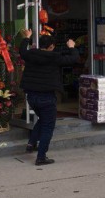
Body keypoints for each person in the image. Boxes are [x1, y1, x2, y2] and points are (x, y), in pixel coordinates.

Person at [19, 28, 78, 166]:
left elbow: (22, 51)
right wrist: (72, 47)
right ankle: (41, 157)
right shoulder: (54, 57)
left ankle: (31, 143)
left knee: (43, 119)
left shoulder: (30, 54)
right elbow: (73, 59)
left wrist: (27, 37)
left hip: (31, 96)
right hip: (46, 97)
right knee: (48, 126)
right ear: (51, 46)